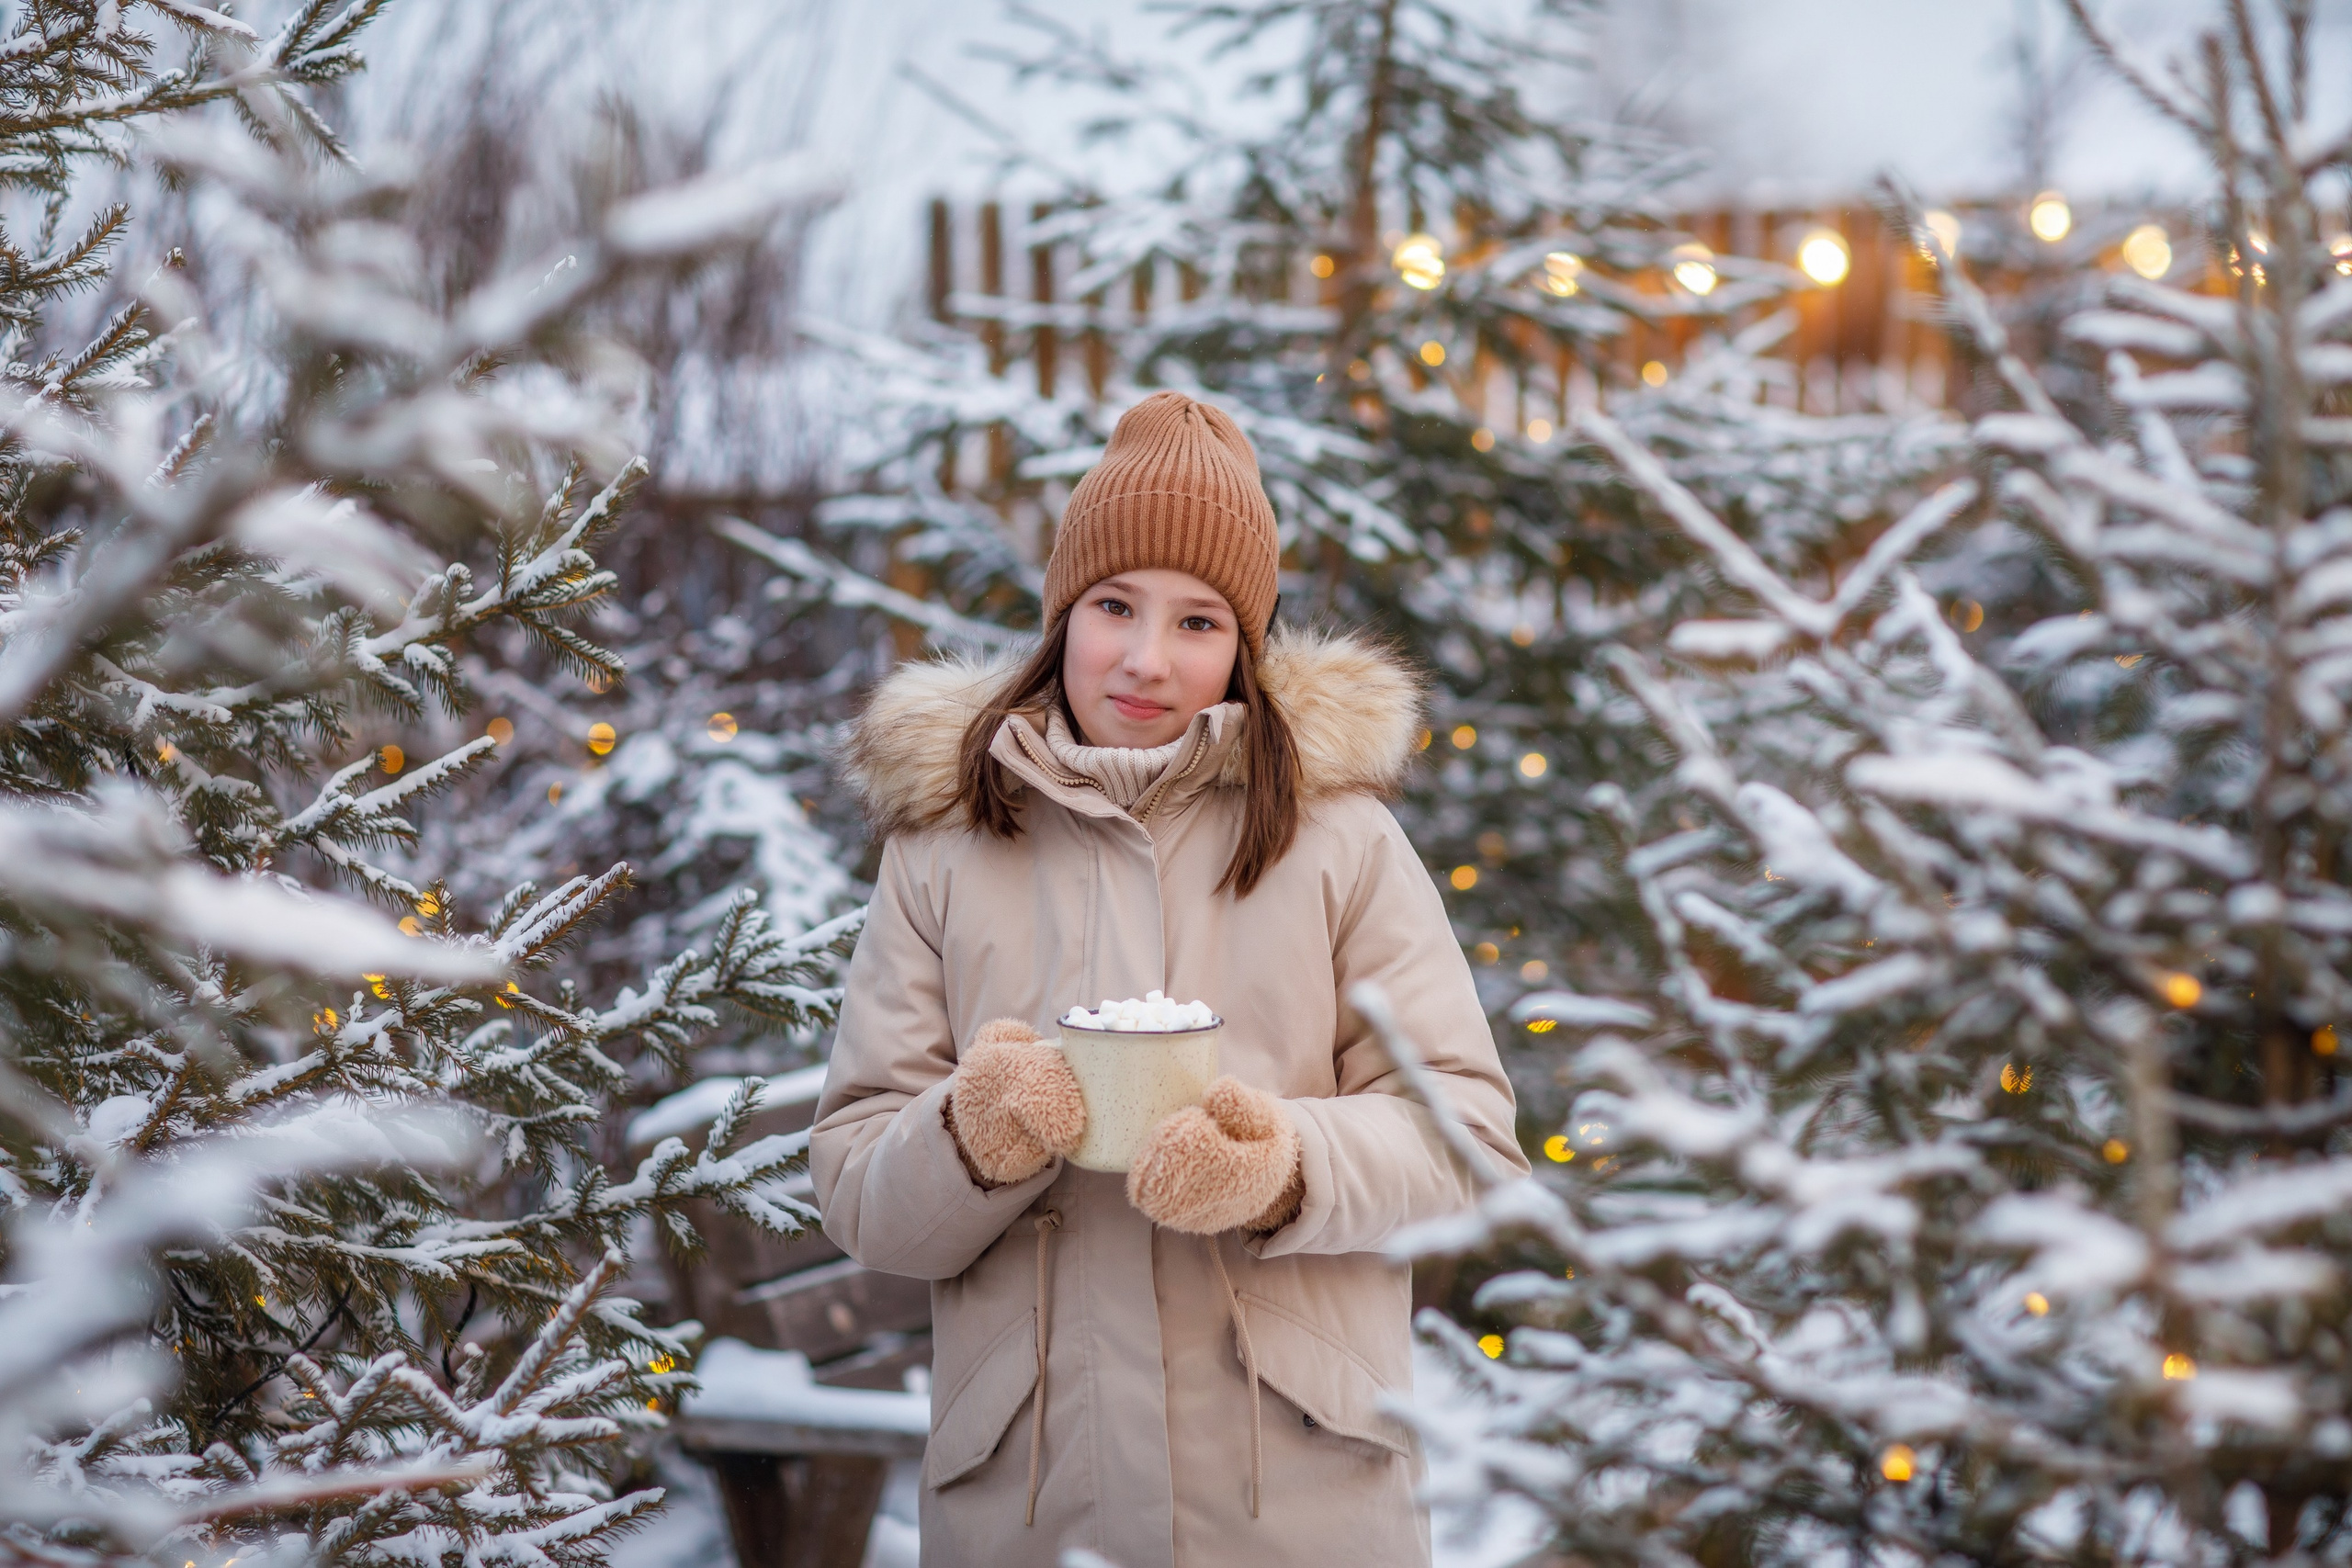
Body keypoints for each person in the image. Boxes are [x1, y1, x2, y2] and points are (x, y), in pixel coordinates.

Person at [810, 390, 1527, 1568]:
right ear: (1061, 615)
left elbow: (1468, 1142)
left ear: (1243, 646)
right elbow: (858, 1192)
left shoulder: (1339, 842)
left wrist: (1288, 1165)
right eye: (1113, 606)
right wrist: (972, 1135)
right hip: (1036, 1505)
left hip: (1289, 1503)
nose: (1146, 660)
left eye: (1199, 623)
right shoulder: (941, 847)